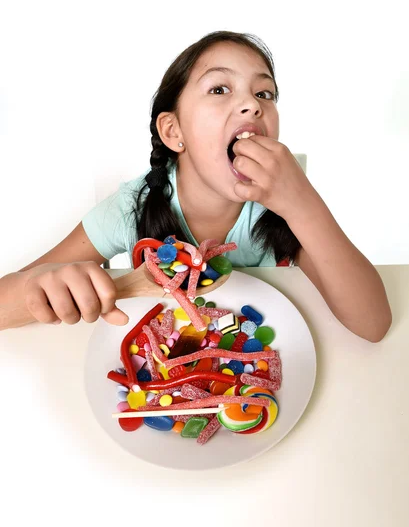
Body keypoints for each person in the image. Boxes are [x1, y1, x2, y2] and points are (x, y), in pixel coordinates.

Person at [0, 31, 392, 341]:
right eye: (219, 89)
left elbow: (373, 324)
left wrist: (304, 205)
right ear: (173, 131)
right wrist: (39, 285)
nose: (253, 105)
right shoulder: (131, 208)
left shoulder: (285, 208)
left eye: (264, 93)